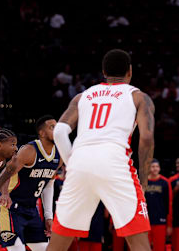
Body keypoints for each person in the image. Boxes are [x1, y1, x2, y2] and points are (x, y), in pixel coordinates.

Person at [47, 49, 155, 251]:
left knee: (58, 243)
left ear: (103, 72)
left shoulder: (82, 96)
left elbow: (60, 131)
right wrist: (143, 178)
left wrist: (72, 164)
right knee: (138, 241)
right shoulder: (139, 97)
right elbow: (147, 138)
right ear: (130, 72)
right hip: (114, 160)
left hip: (79, 161)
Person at [0, 116, 61, 251]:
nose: (57, 130)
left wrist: (49, 216)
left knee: (44, 248)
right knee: (17, 249)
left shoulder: (58, 155)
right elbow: (3, 175)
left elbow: (48, 185)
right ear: (42, 133)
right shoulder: (29, 151)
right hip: (10, 207)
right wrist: (6, 194)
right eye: (52, 127)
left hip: (31, 209)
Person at [145, 160, 172, 251]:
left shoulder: (165, 182)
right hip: (146, 221)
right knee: (145, 247)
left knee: (159, 247)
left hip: (160, 220)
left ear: (159, 168)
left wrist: (169, 224)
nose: (155, 169)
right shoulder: (143, 181)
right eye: (153, 166)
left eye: (157, 166)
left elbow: (169, 203)